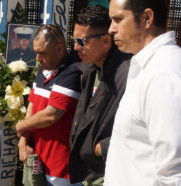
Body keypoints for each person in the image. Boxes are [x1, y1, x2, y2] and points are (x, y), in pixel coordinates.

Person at [105, 0, 181, 185]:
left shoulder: (164, 73)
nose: (111, 29)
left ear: (147, 18)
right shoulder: (148, 66)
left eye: (118, 19)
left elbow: (173, 174)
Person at [69, 5, 132, 185]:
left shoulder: (127, 74)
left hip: (109, 174)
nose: (75, 47)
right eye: (74, 40)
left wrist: (100, 148)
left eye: (81, 41)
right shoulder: (90, 69)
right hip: (88, 174)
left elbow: (140, 128)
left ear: (105, 41)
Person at [15, 25, 81, 186]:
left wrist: (21, 126)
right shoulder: (45, 68)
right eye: (36, 52)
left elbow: (52, 114)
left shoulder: (73, 69)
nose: (37, 58)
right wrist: (23, 141)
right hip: (38, 162)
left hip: (61, 169)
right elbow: (33, 105)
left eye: (42, 53)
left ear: (59, 48)